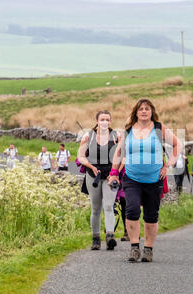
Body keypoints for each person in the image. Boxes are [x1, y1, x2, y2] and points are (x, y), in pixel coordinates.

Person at [109, 98, 181, 263]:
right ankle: (135, 247)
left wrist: (168, 165)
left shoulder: (158, 128)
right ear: (136, 112)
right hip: (132, 177)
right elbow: (119, 153)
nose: (143, 111)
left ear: (151, 112)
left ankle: (148, 249)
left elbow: (178, 145)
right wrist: (113, 173)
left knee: (151, 215)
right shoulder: (128, 131)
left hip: (154, 178)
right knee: (132, 210)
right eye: (140, 109)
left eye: (147, 109)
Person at [77, 110, 119, 251]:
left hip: (110, 176)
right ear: (97, 121)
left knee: (108, 206)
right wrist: (91, 166)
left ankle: (110, 236)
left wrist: (115, 172)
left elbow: (123, 156)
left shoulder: (116, 137)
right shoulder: (88, 137)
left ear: (110, 121)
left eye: (107, 119)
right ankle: (95, 239)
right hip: (92, 175)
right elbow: (81, 156)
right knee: (95, 208)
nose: (105, 122)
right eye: (102, 119)